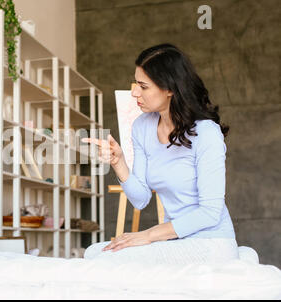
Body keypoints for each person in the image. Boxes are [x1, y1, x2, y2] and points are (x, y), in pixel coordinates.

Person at [82, 43, 239, 265]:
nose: (135, 92)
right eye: (136, 83)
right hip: (174, 239)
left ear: (170, 89)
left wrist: (147, 235)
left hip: (211, 241)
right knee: (94, 252)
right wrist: (119, 163)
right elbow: (141, 199)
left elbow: (210, 212)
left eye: (143, 86)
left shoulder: (206, 133)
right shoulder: (142, 127)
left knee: (106, 258)